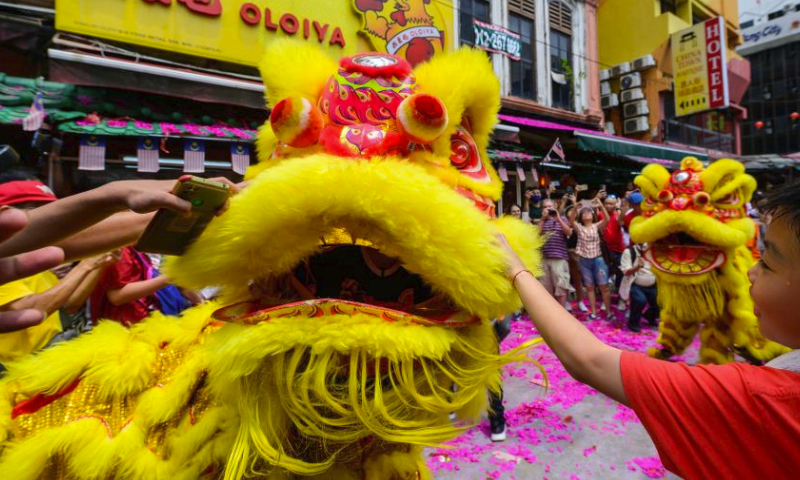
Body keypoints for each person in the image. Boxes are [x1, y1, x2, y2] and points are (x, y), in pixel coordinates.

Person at [496, 178, 800, 480]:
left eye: (769, 263)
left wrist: (516, 270)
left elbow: (588, 360)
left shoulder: (766, 400)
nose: (751, 270)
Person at [0, 177, 119, 363]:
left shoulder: (35, 259)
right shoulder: (5, 264)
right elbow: (33, 309)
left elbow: (68, 304)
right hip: (17, 370)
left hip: (44, 360)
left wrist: (98, 264)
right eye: (43, 213)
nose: (58, 224)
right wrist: (86, 265)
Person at [568, 193, 611, 319]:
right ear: (581, 216)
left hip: (598, 259)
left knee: (604, 286)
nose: (587, 214)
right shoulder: (579, 228)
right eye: (584, 213)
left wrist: (601, 206)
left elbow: (607, 220)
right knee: (589, 287)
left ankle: (608, 313)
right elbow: (571, 220)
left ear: (593, 215)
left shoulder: (597, 226)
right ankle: (594, 312)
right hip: (584, 261)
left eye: (589, 212)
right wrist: (576, 207)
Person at [538, 198, 573, 308]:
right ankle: (551, 314)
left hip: (560, 259)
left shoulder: (562, 218)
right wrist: (543, 220)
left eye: (550, 206)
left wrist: (558, 218)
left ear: (555, 207)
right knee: (547, 289)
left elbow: (569, 232)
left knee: (561, 288)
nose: (547, 209)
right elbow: (535, 236)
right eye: (545, 207)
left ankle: (561, 313)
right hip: (544, 259)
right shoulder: (541, 221)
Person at [620, 241, 658, 332]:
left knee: (661, 301)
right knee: (640, 300)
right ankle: (633, 323)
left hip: (652, 284)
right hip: (635, 284)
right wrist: (638, 267)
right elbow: (626, 272)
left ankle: (649, 316)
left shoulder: (654, 251)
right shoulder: (629, 252)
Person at [598, 194, 626, 307]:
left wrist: (620, 209)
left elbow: (621, 223)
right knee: (604, 273)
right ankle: (605, 298)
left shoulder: (618, 214)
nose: (609, 205)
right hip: (605, 250)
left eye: (611, 203)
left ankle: (621, 298)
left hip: (619, 249)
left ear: (615, 204)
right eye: (607, 203)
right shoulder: (600, 214)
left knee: (621, 273)